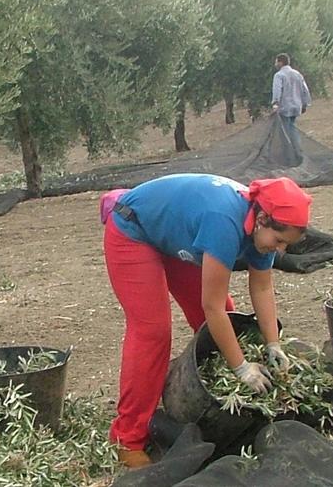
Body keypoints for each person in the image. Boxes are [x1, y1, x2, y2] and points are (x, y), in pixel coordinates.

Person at [102, 174, 312, 468]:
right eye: (279, 241)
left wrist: (273, 344)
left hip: (176, 235)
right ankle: (128, 438)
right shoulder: (223, 223)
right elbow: (212, 306)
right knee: (153, 333)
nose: (280, 251)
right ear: (262, 218)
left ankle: (214, 401)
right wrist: (242, 369)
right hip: (133, 228)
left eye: (286, 245)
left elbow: (262, 287)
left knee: (224, 321)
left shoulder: (260, 231)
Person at [271, 53, 312, 161]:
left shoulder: (279, 75)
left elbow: (277, 90)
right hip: (296, 106)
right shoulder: (297, 74)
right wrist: (305, 103)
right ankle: (297, 152)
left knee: (285, 132)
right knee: (292, 128)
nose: (275, 64)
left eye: (276, 61)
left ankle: (290, 156)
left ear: (280, 62)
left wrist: (275, 104)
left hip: (285, 107)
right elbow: (305, 90)